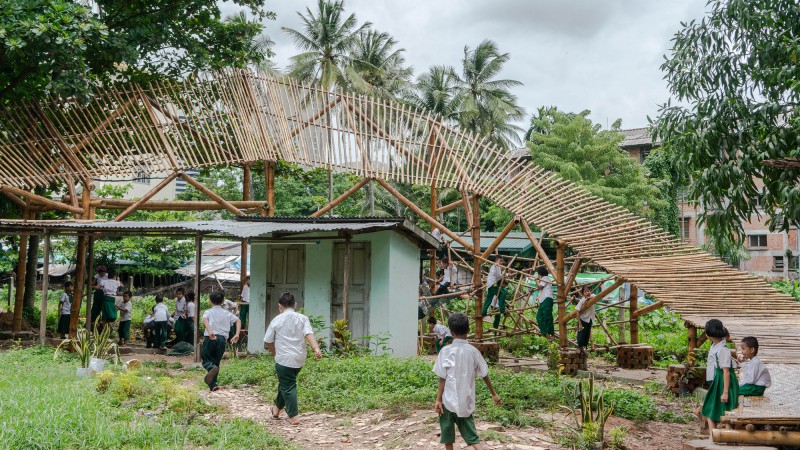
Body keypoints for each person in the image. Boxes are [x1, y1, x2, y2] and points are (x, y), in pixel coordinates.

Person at [433, 313, 502, 450]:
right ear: (468, 330)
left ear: (451, 332)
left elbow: (442, 378)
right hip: (465, 401)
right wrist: (494, 394)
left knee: (448, 438)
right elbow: (485, 375)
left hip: (447, 401)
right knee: (472, 438)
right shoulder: (473, 351)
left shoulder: (446, 351)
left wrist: (438, 400)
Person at [263, 292, 322, 425]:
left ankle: (293, 416)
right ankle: (276, 410)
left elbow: (267, 341)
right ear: (295, 305)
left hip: (283, 359)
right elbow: (309, 333)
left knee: (288, 386)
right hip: (299, 358)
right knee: (286, 382)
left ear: (280, 306)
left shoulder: (276, 320)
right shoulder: (303, 318)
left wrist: (275, 353)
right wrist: (316, 348)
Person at [700, 319, 738, 436]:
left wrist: (725, 392)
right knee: (710, 407)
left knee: (726, 408)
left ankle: (727, 436)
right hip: (717, 378)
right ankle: (713, 436)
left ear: (709, 335)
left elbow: (726, 372)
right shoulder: (716, 345)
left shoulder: (722, 349)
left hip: (723, 380)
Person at [202, 291, 241, 391]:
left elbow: (204, 320)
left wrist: (210, 331)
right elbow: (238, 320)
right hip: (222, 340)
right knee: (216, 362)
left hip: (210, 338)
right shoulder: (226, 313)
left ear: (210, 301)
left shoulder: (208, 312)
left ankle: (210, 369)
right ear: (223, 301)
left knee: (206, 359)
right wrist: (236, 334)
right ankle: (213, 385)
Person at [534, 267, 555, 340]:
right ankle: (546, 333)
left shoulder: (545, 278)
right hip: (543, 300)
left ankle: (552, 334)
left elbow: (540, 287)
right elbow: (540, 291)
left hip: (547, 299)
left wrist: (536, 281)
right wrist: (537, 300)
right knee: (539, 317)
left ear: (540, 273)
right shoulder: (543, 279)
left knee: (547, 317)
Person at [575, 287, 596, 353]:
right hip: (583, 319)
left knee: (587, 334)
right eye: (585, 292)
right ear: (583, 294)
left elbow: (594, 296)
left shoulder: (592, 296)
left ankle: (582, 348)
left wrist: (588, 298)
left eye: (588, 291)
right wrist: (580, 323)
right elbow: (577, 311)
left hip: (589, 319)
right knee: (581, 334)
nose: (587, 292)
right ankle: (579, 347)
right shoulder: (582, 300)